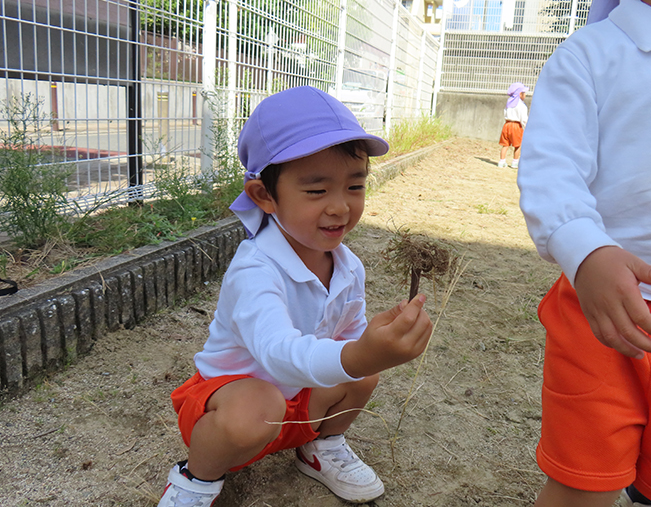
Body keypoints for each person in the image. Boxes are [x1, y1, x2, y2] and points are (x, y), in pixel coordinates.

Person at [155, 86, 433, 507]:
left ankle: (321, 446)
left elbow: (349, 336)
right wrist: (360, 355)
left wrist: (368, 346)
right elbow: (275, 353)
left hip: (297, 402)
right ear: (265, 196)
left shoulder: (348, 266)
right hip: (231, 407)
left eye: (355, 186)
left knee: (361, 374)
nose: (341, 207)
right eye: (317, 191)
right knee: (261, 402)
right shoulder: (256, 269)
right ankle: (196, 479)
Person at [517, 0, 651, 506]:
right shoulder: (589, 53)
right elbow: (551, 168)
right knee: (581, 486)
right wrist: (586, 251)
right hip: (605, 313)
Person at [498, 82, 529, 169]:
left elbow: (505, 113)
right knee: (517, 145)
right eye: (524, 93)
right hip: (516, 126)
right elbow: (524, 119)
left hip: (507, 125)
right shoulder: (522, 106)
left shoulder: (508, 103)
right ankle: (515, 162)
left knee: (505, 144)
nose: (525, 95)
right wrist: (526, 127)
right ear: (520, 94)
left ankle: (502, 161)